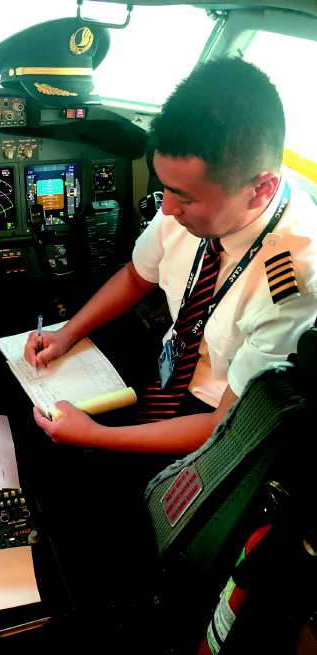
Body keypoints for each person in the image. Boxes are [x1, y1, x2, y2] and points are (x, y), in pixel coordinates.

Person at [24, 56, 317, 466]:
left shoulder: (295, 285)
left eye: (185, 197)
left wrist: (96, 436)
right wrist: (67, 333)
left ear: (261, 190)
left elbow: (226, 425)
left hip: (213, 417)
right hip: (166, 366)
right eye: (166, 188)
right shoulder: (186, 202)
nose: (166, 210)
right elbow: (136, 277)